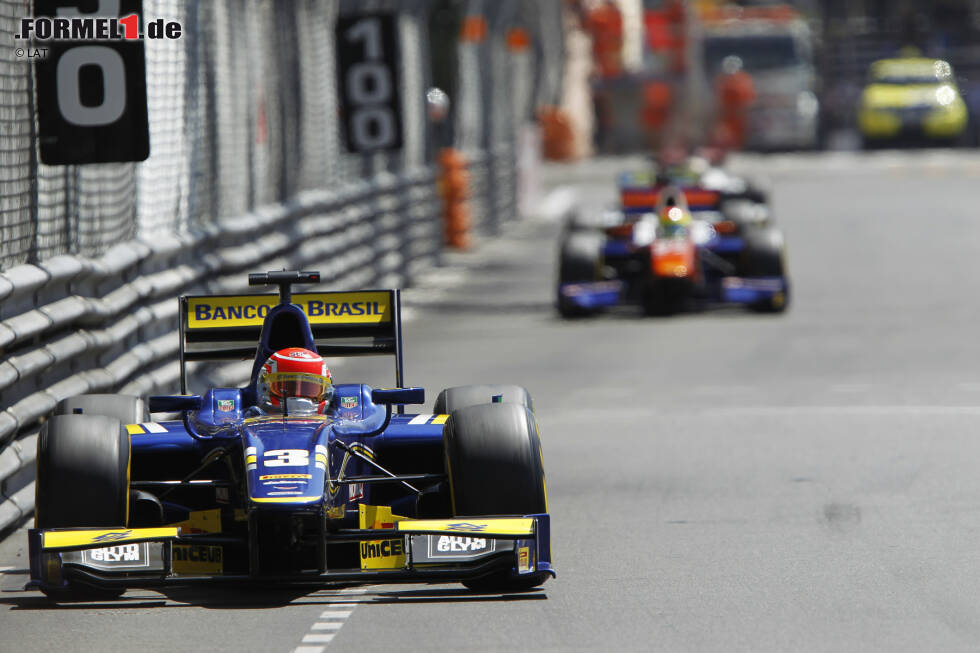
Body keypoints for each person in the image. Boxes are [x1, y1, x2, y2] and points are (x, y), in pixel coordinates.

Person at [255, 347, 334, 416]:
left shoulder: (341, 420)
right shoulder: (251, 416)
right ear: (264, 387)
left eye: (308, 389)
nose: (298, 400)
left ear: (326, 393)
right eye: (288, 387)